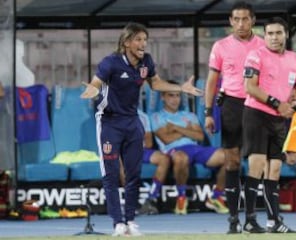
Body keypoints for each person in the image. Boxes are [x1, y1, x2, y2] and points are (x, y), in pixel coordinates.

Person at [80, 22, 202, 237]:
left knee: (133, 174)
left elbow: (155, 84)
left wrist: (180, 88)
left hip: (133, 122)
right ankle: (118, 223)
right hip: (109, 123)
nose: (143, 44)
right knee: (110, 175)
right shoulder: (111, 62)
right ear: (126, 42)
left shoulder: (146, 62)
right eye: (138, 39)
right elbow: (95, 84)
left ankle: (131, 221)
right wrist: (91, 91)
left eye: (145, 40)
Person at [204, 1, 265, 234]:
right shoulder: (220, 46)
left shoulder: (263, 45)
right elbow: (211, 81)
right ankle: (232, 220)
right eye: (236, 19)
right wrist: (209, 112)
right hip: (231, 105)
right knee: (232, 162)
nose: (241, 23)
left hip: (257, 106)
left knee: (257, 163)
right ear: (230, 21)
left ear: (253, 20)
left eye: (245, 19)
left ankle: (251, 218)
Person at [242, 17, 296, 233]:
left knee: (275, 169)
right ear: (264, 35)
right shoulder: (255, 55)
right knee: (257, 165)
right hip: (257, 115)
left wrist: (294, 101)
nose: (274, 37)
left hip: (280, 119)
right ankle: (250, 220)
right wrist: (278, 104)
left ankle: (274, 222)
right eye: (270, 33)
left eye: (278, 33)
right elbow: (250, 87)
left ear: (285, 34)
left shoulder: (293, 58)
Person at [151, 80, 229, 215]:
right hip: (173, 151)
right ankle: (181, 197)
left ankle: (215, 197)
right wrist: (188, 131)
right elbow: (166, 138)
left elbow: (199, 136)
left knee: (229, 157)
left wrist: (175, 128)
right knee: (181, 157)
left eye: (177, 95)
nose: (175, 100)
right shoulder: (157, 116)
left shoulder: (189, 115)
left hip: (195, 148)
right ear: (163, 97)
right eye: (171, 95)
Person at [137, 108, 171, 215]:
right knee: (120, 161)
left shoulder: (142, 116)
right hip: (123, 151)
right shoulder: (113, 115)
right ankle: (132, 202)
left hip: (140, 150)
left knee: (164, 159)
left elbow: (148, 143)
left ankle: (151, 199)